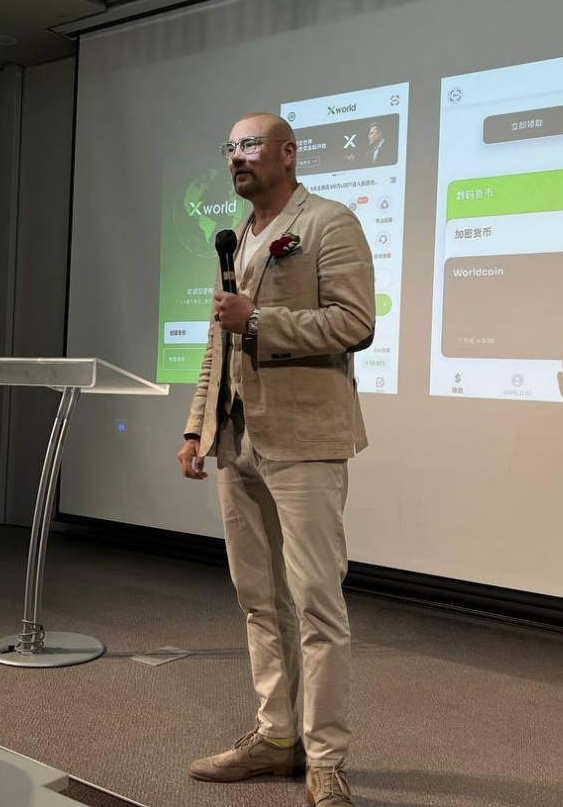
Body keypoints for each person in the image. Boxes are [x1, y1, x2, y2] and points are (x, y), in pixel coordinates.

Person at [176, 113, 375, 807]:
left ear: (288, 153)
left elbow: (355, 323)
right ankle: (276, 738)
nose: (236, 157)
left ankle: (326, 759)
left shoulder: (328, 222)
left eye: (249, 145)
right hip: (236, 442)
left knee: (316, 604)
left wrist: (258, 320)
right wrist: (197, 427)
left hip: (305, 440)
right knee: (258, 601)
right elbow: (218, 341)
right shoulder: (235, 239)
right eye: (229, 147)